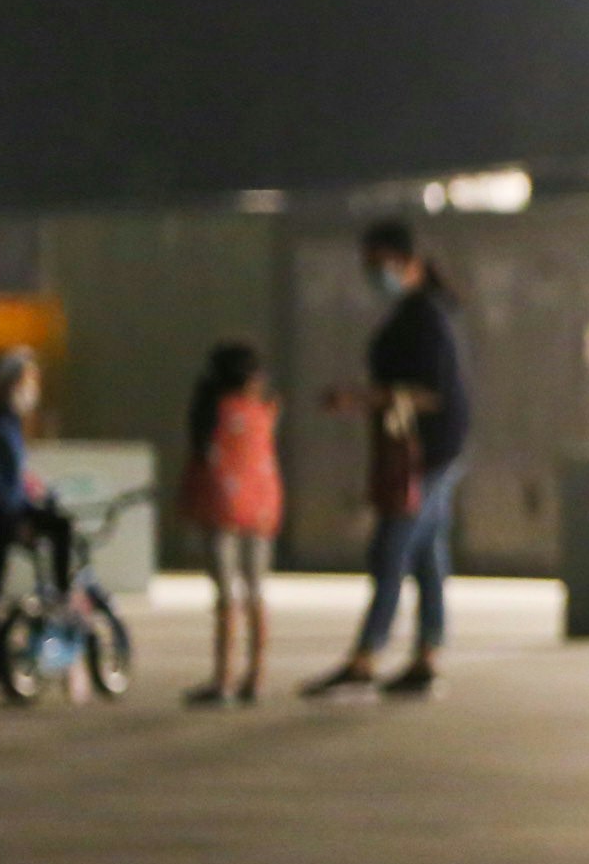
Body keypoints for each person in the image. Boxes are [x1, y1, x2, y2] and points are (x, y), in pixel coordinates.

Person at [302, 222, 471, 701]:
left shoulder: (427, 318)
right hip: (430, 449)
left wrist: (360, 398)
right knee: (426, 553)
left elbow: (430, 394)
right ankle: (426, 656)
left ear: (410, 262)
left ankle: (365, 659)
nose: (376, 275)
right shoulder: (424, 312)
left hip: (426, 452)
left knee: (391, 549)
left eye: (382, 265)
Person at [0, 347, 75, 704]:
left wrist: (33, 496)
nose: (31, 389)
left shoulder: (5, 423)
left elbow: (12, 481)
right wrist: (18, 522)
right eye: (25, 381)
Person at [180, 341, 283, 707]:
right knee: (256, 593)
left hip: (221, 509)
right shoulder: (265, 411)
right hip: (261, 510)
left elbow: (199, 461)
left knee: (226, 597)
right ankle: (255, 676)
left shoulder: (211, 411)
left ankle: (222, 678)